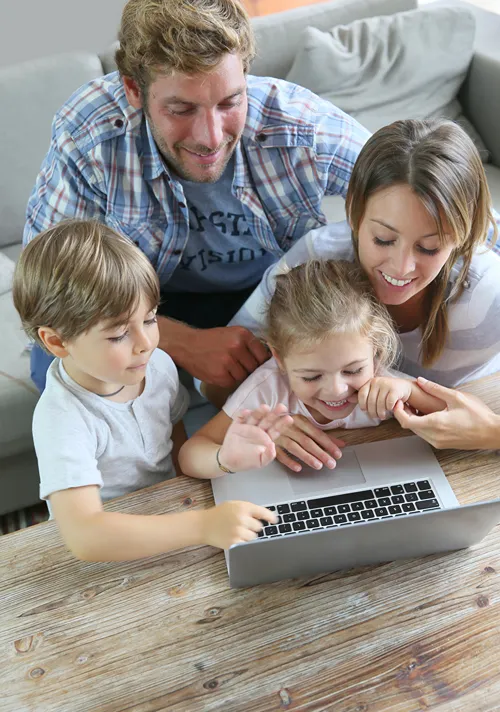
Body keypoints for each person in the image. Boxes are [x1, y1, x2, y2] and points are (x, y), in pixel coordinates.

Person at [23, 0, 370, 394]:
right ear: (134, 89)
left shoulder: (299, 125)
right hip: (133, 303)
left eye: (230, 102)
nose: (210, 137)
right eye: (181, 108)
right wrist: (179, 341)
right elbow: (49, 285)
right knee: (61, 365)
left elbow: (413, 185)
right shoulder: (89, 133)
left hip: (267, 290)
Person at [228, 118, 500, 464]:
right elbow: (223, 378)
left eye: (429, 248)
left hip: (454, 452)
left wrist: (490, 431)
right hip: (341, 454)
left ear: (461, 236)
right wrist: (270, 424)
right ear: (355, 209)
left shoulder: (487, 293)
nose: (401, 268)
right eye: (383, 239)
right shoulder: (315, 263)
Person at [12, 220, 280, 561]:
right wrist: (202, 526)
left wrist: (224, 461)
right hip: (110, 554)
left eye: (151, 319)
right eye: (118, 334)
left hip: (172, 519)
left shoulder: (157, 366)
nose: (146, 343)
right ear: (56, 341)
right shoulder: (61, 418)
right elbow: (85, 536)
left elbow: (177, 450)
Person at [179, 260, 445, 477]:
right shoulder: (267, 390)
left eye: (352, 371)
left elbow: (455, 414)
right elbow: (191, 453)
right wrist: (226, 459)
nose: (336, 390)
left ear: (375, 351)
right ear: (280, 360)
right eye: (312, 376)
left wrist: (410, 392)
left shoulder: (382, 382)